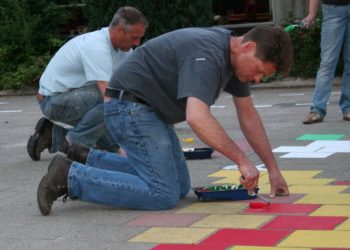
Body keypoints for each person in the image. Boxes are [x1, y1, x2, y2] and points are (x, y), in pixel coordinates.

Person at [36, 25, 292, 215]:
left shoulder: (233, 59)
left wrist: (273, 169)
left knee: (180, 186)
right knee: (162, 194)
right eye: (260, 71)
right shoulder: (209, 54)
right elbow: (197, 117)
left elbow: (249, 116)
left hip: (147, 111)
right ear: (249, 48)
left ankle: (85, 157)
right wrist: (242, 160)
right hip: (128, 106)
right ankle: (71, 177)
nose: (258, 79)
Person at [27, 6, 148, 161]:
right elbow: (109, 97)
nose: (137, 43)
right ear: (119, 30)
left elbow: (132, 88)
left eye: (140, 38)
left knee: (112, 147)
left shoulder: (125, 51)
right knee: (110, 98)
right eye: (134, 37)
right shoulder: (96, 47)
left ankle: (52, 134)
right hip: (52, 101)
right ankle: (76, 146)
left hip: (78, 99)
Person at [302, 0, 350, 124]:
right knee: (327, 63)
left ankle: (348, 108)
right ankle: (317, 109)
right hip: (332, 9)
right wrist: (311, 13)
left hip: (333, 9)